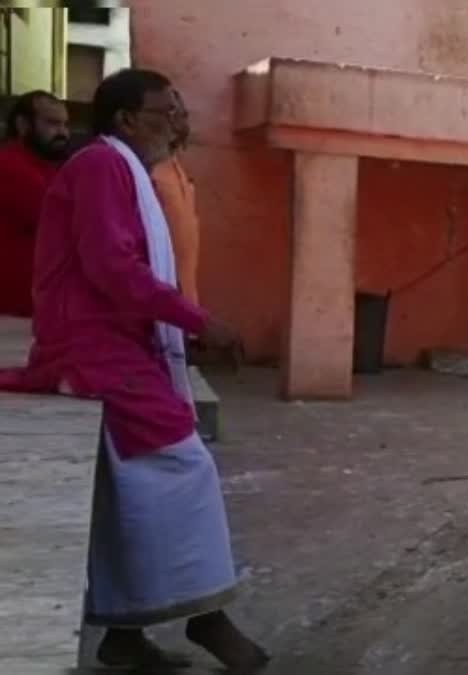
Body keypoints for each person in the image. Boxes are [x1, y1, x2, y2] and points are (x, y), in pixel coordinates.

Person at [0, 69, 268, 671]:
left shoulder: (124, 168)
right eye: (165, 112)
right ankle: (208, 618)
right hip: (91, 348)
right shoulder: (102, 167)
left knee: (127, 491)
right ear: (125, 119)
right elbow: (110, 267)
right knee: (182, 464)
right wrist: (198, 321)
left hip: (119, 342)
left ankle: (124, 638)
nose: (177, 122)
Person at [0, 90, 70, 317]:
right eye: (52, 123)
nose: (62, 132)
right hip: (14, 312)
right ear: (23, 125)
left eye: (64, 124)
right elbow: (67, 224)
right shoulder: (11, 167)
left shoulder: (46, 169)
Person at [151, 88, 201, 305]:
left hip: (184, 296)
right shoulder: (146, 170)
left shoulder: (175, 167)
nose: (180, 124)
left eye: (182, 116)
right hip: (157, 297)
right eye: (172, 115)